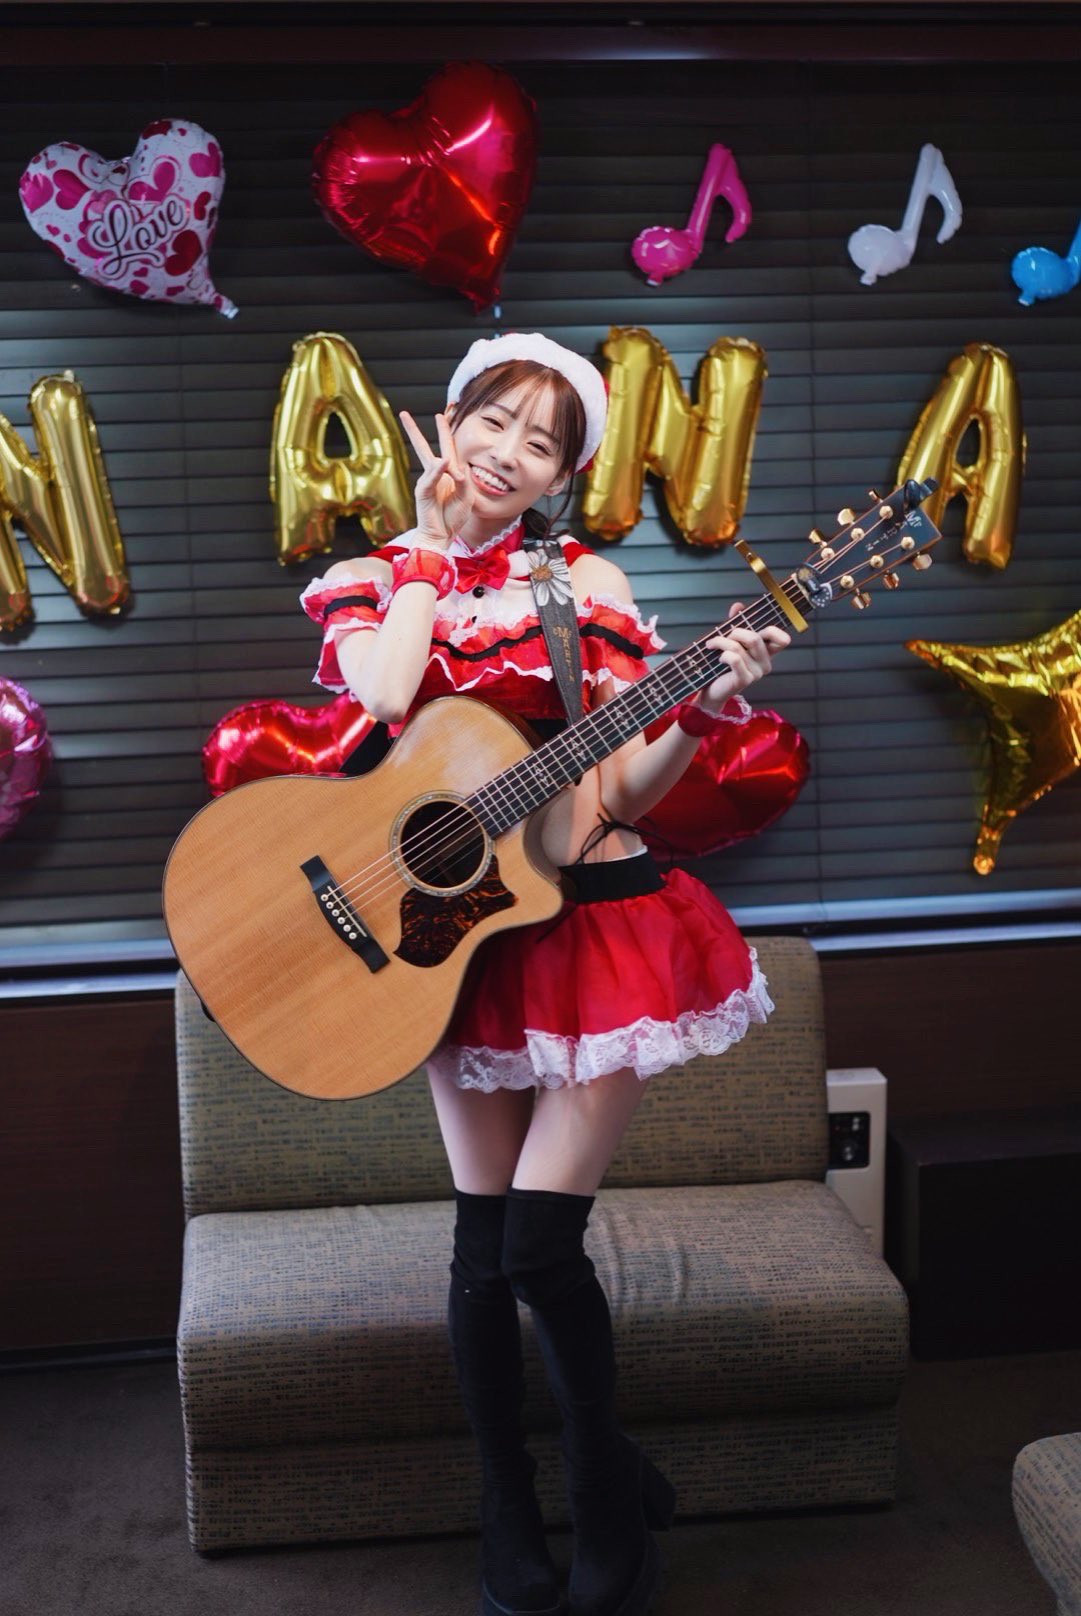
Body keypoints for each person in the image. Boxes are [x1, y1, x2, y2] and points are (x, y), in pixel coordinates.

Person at [301, 333, 790, 1616]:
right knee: (482, 1248)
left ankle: (601, 1491)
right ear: (448, 419)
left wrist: (699, 709)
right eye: (494, 422)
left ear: (564, 474)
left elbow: (619, 786)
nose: (508, 454)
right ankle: (507, 1503)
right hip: (451, 939)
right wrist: (426, 549)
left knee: (536, 1241)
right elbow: (389, 693)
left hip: (594, 924)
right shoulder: (370, 578)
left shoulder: (585, 587)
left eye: (542, 443)